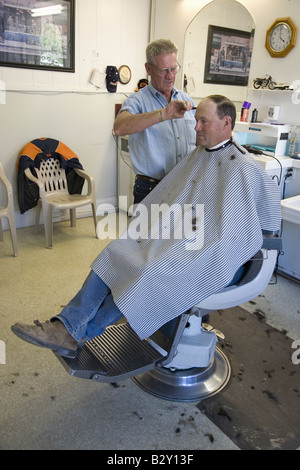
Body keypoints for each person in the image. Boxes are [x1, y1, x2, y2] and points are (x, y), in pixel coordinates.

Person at [12, 95, 282, 359]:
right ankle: (66, 327)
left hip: (212, 252)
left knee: (144, 272)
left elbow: (264, 222)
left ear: (226, 124)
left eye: (203, 122)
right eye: (196, 120)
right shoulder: (198, 155)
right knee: (119, 250)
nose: (196, 127)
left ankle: (75, 334)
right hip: (181, 237)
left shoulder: (244, 166)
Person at [114, 38, 197, 204]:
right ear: (148, 69)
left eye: (174, 68)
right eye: (163, 70)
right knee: (147, 231)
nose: (170, 76)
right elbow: (119, 128)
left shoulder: (186, 100)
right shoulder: (137, 101)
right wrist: (162, 114)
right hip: (151, 190)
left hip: (185, 187)